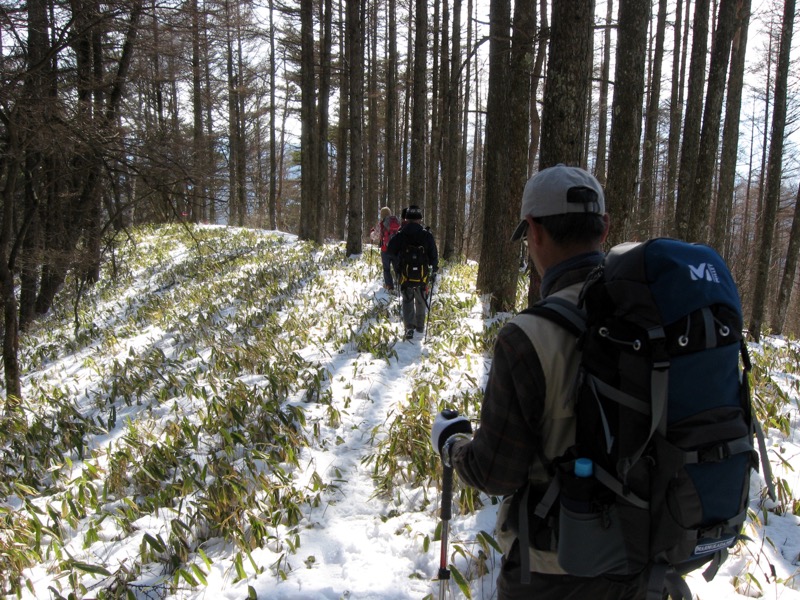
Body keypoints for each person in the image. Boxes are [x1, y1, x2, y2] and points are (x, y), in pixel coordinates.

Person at [430, 165, 648, 599]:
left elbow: (497, 473)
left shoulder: (526, 337)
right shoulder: (653, 313)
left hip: (556, 566)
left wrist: (452, 446)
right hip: (646, 553)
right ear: (604, 228)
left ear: (534, 231)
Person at [386, 204, 438, 340]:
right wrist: (434, 270)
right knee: (421, 298)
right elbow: (434, 255)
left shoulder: (401, 234)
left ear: (407, 219)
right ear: (420, 219)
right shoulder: (426, 235)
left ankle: (409, 327)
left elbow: (390, 251)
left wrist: (397, 263)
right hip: (422, 275)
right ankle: (420, 326)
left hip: (405, 274)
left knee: (407, 299)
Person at [370, 207, 400, 290]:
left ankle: (389, 286)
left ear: (382, 215)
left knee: (386, 269)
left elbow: (374, 236)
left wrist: (372, 232)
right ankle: (401, 285)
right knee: (398, 269)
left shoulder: (381, 224)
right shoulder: (397, 222)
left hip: (385, 250)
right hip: (396, 250)